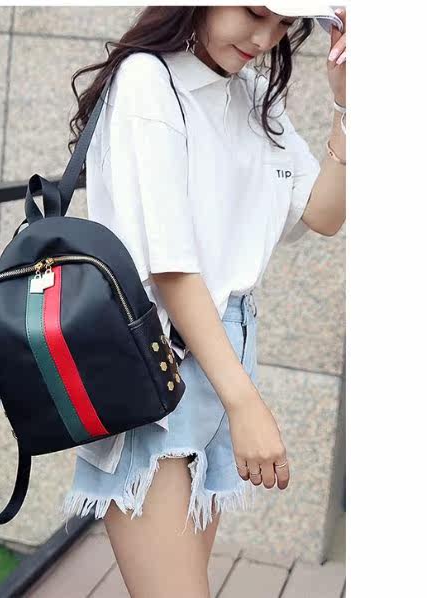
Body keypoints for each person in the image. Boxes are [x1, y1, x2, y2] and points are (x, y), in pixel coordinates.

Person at [61, 5, 346, 596]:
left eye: (284, 26)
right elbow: (171, 269)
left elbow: (323, 213)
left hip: (224, 354)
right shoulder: (149, 79)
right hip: (159, 360)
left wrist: (351, 108)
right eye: (256, 13)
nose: (265, 38)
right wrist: (246, 404)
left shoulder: (252, 93)